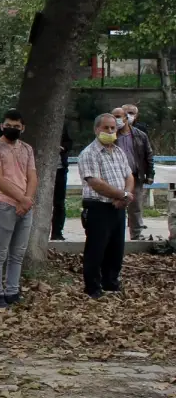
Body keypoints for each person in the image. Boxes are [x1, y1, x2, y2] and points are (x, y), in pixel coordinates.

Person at [0, 110, 37, 309]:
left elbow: (32, 176)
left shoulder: (27, 149)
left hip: (25, 207)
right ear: (2, 126)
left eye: (16, 127)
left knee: (18, 253)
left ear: (23, 128)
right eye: (9, 125)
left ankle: (12, 291)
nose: (12, 129)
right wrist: (21, 199)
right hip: (4, 204)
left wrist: (28, 200)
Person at [78, 114, 133, 299]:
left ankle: (111, 283)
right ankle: (93, 288)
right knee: (96, 249)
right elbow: (95, 182)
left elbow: (129, 176)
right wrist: (121, 194)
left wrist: (125, 196)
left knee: (116, 249)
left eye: (113, 128)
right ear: (96, 130)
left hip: (118, 207)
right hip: (98, 208)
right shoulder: (89, 153)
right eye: (106, 128)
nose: (110, 131)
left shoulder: (118, 152)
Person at [114, 105, 153, 240]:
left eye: (119, 117)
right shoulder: (111, 135)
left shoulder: (140, 135)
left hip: (135, 175)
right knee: (116, 206)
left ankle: (136, 234)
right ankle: (114, 236)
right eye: (115, 117)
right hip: (116, 176)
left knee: (135, 206)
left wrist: (150, 174)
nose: (117, 120)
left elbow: (148, 155)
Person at [53, 126, 74, 240]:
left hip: (60, 170)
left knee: (59, 203)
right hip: (40, 170)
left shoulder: (62, 124)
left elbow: (69, 143)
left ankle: (57, 233)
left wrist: (62, 148)